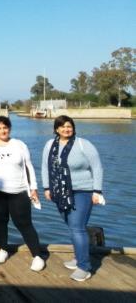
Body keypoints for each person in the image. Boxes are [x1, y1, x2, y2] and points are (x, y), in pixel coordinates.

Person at [0, 116, 45, 272]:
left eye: (5, 127)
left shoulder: (19, 145)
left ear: (9, 128)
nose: (3, 131)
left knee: (24, 224)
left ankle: (37, 256)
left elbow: (29, 167)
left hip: (18, 191)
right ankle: (3, 249)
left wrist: (33, 188)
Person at [42, 115, 103, 282]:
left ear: (73, 128)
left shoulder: (84, 144)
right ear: (56, 129)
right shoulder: (50, 145)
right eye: (62, 127)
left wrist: (97, 191)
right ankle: (78, 257)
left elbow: (97, 167)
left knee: (77, 227)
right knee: (72, 226)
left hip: (82, 191)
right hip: (59, 192)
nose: (66, 129)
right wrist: (47, 187)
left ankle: (84, 266)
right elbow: (45, 167)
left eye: (69, 126)